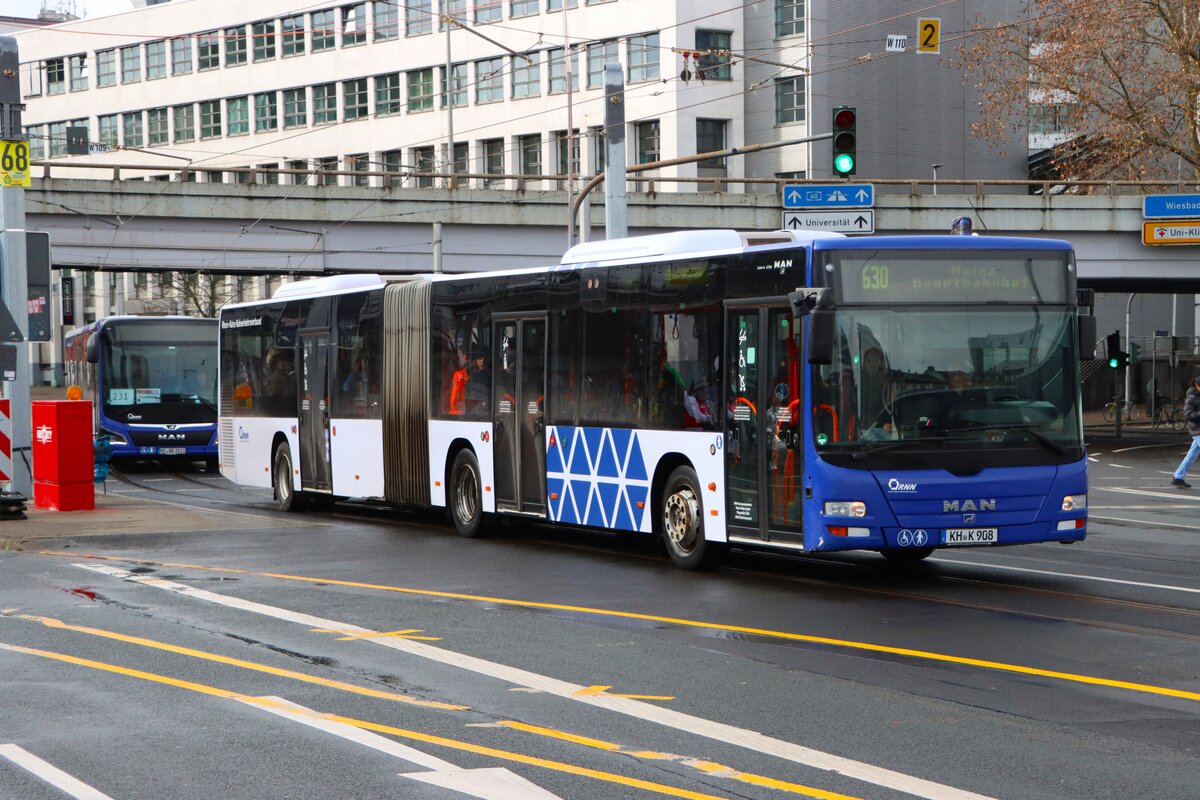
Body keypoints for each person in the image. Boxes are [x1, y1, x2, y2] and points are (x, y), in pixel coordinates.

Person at [1170, 376, 1200, 488]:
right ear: (1196, 385)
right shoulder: (1191, 397)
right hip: (1197, 429)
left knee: (1191, 455)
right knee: (1191, 455)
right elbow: (1188, 414)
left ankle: (1178, 477)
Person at [465, 348, 491, 413]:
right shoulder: (468, 374)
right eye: (479, 358)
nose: (482, 361)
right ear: (476, 360)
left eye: (484, 358)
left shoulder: (492, 374)